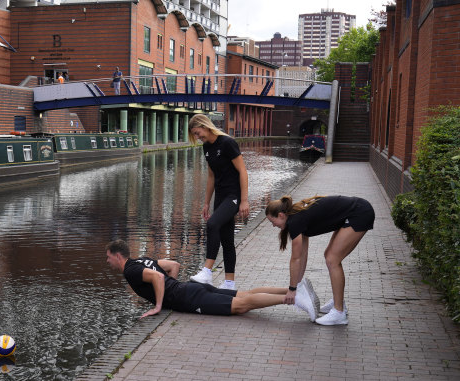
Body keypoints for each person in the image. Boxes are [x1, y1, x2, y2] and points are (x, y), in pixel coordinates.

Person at [105, 239, 319, 320]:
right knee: (244, 294)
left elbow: (158, 277)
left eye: (108, 258)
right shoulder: (142, 260)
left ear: (117, 255)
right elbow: (173, 266)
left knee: (241, 305)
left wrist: (160, 304)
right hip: (189, 289)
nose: (108, 262)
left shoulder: (130, 271)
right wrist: (174, 287)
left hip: (188, 298)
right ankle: (292, 289)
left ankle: (293, 299)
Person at [265, 195, 375, 325]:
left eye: (273, 221)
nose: (273, 226)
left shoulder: (295, 221)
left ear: (281, 215)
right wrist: (298, 286)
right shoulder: (297, 216)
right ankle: (338, 302)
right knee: (329, 255)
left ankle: (339, 312)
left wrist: (292, 289)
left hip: (360, 213)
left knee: (332, 259)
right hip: (356, 210)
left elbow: (295, 259)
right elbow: (302, 255)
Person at [187, 114, 249, 290]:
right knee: (226, 240)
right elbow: (211, 176)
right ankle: (229, 283)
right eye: (196, 135)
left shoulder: (227, 143)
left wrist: (244, 200)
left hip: (234, 195)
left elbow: (243, 171)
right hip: (221, 197)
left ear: (206, 126)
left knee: (212, 224)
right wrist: (206, 203)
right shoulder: (206, 147)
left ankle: (207, 271)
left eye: (199, 133)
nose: (199, 138)